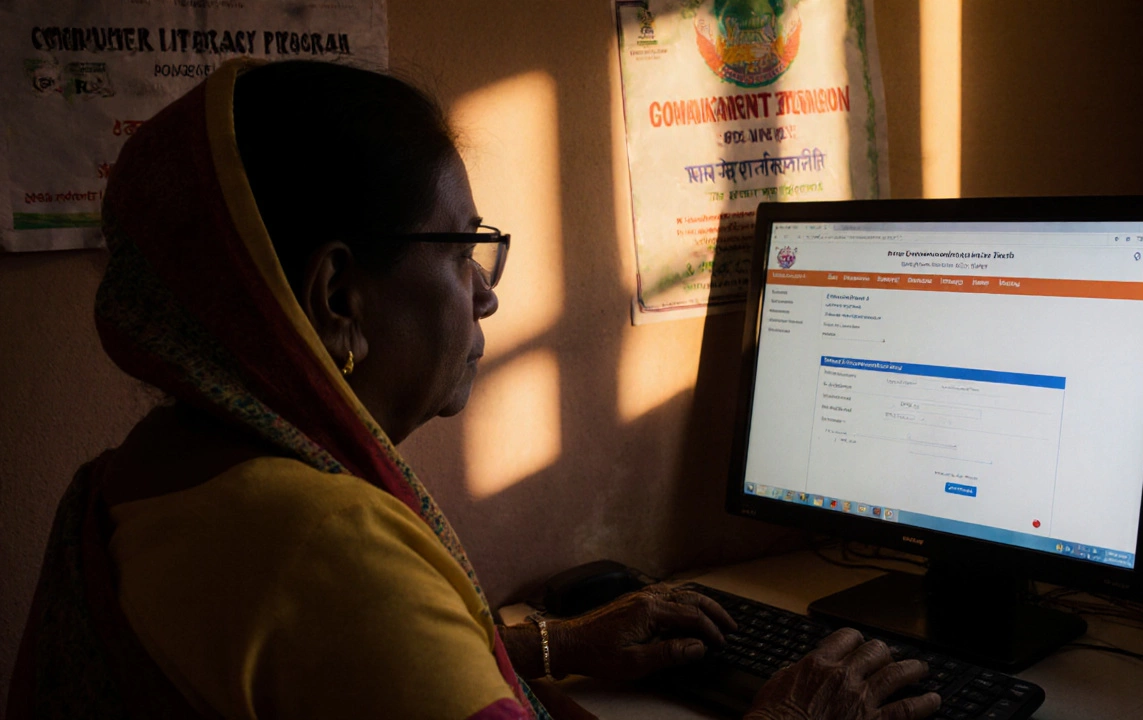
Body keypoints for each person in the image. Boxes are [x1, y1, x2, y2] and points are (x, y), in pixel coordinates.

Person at [7, 58, 942, 720]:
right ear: (337, 295)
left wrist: (551, 647)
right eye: (460, 252)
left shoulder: (144, 477)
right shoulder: (318, 544)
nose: (487, 290)